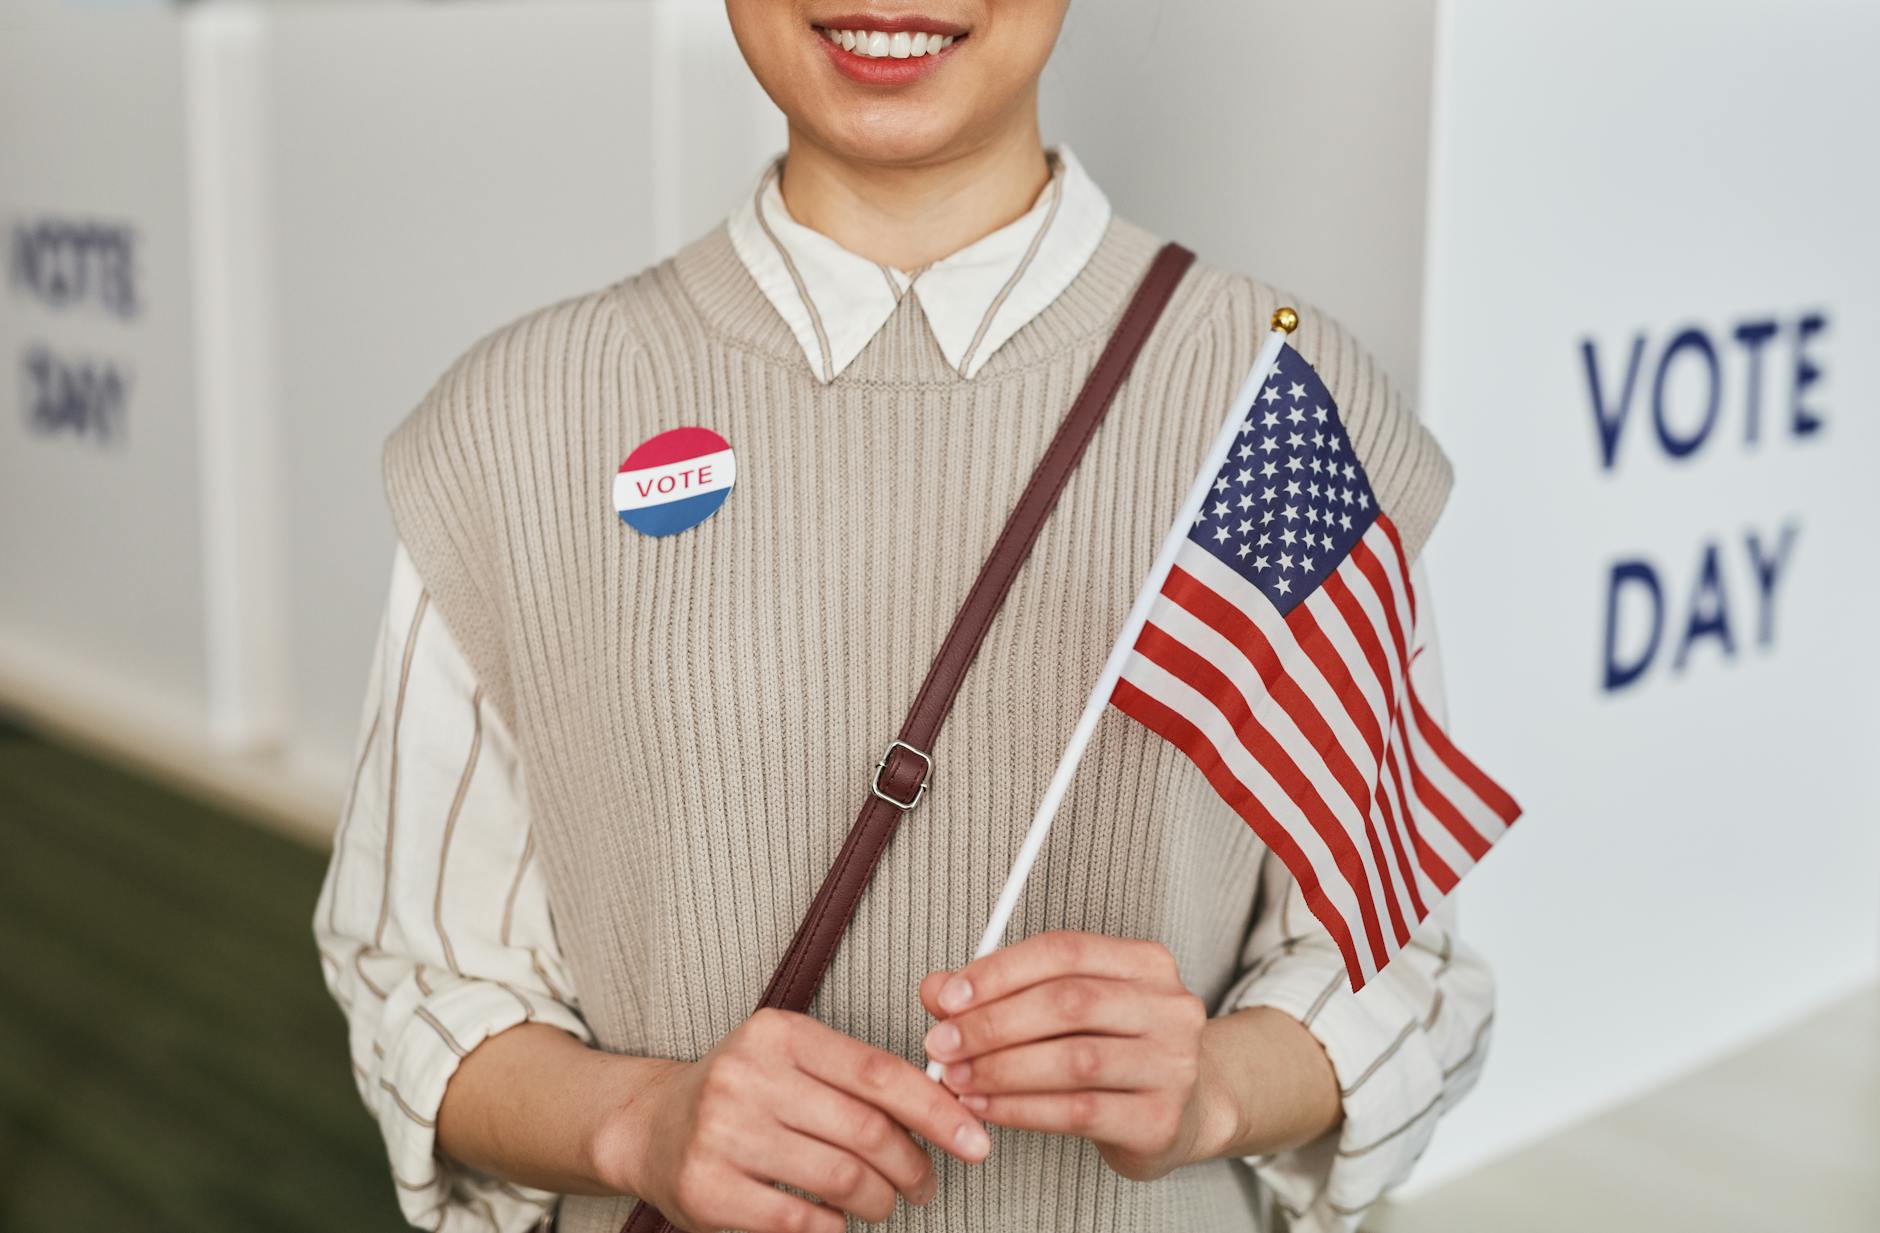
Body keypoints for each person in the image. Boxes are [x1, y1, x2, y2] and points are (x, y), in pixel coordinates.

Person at [314, 3, 1495, 1231]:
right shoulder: (516, 424)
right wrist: (637, 1120)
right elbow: (420, 983)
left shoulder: (1274, 398)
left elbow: (1400, 975)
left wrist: (1212, 1089)